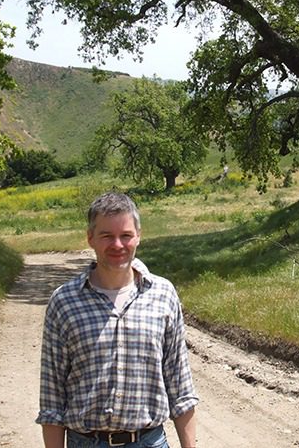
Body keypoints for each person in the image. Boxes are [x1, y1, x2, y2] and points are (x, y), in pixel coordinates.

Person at [36, 192, 198, 448]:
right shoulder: (64, 302)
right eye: (106, 236)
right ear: (90, 238)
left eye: (126, 235)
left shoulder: (163, 293)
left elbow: (180, 386)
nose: (118, 245)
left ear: (138, 236)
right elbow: (52, 398)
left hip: (150, 441)